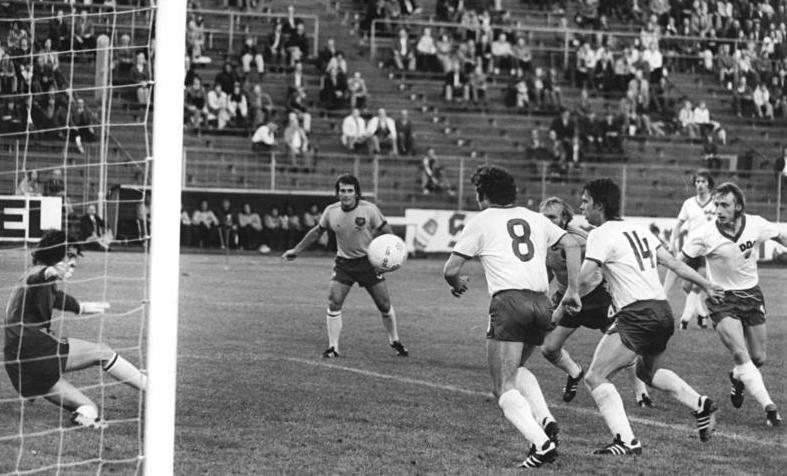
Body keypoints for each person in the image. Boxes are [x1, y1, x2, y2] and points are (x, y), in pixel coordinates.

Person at [442, 166, 582, 468]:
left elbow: (451, 269)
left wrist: (457, 284)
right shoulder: (535, 217)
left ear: (483, 194)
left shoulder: (482, 220)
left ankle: (541, 444)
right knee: (516, 369)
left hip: (509, 303)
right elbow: (572, 243)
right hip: (541, 303)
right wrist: (572, 289)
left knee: (502, 387)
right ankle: (546, 421)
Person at [576, 178, 723, 455]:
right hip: (662, 312)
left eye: (585, 201)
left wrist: (560, 305)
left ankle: (626, 441)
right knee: (646, 371)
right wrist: (705, 285)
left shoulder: (600, 234)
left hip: (637, 314)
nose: (581, 206)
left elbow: (583, 281)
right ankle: (700, 403)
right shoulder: (639, 230)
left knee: (595, 376)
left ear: (600, 204)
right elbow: (675, 263)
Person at [4, 230, 146, 428]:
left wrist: (84, 307)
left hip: (18, 365)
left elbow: (58, 297)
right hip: (34, 349)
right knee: (102, 352)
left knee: (88, 407)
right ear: (55, 255)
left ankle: (83, 417)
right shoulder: (37, 274)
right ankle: (152, 389)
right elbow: (38, 277)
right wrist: (49, 271)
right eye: (69, 257)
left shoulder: (40, 281)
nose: (73, 264)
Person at [681, 182, 787, 427]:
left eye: (724, 205)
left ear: (738, 206)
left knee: (758, 358)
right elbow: (681, 260)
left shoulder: (756, 224)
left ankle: (738, 377)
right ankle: (770, 408)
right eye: (716, 204)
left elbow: (780, 236)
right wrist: (697, 282)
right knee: (740, 353)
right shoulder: (705, 233)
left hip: (751, 296)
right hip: (721, 299)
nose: (718, 209)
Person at [538, 197, 654, 408]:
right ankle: (574, 372)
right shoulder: (541, 239)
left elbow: (605, 261)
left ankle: (641, 393)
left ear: (565, 218)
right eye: (543, 217)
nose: (546, 221)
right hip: (567, 298)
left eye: (552, 217)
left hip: (596, 297)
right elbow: (548, 269)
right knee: (548, 348)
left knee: (626, 342)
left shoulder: (580, 240)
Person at [282, 175, 408, 359]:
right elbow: (317, 232)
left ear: (356, 193)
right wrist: (296, 250)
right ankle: (333, 347)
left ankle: (394, 340)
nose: (346, 194)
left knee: (384, 304)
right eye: (342, 190)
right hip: (344, 263)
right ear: (337, 192)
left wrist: (392, 257)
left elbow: (387, 233)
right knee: (334, 300)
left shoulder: (369, 210)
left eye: (350, 190)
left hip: (369, 263)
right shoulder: (331, 211)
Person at [666, 170, 716, 330]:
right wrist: (672, 243)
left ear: (709, 183)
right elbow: (678, 224)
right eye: (697, 181)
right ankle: (701, 314)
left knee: (696, 285)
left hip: (709, 251)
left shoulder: (717, 202)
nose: (700, 185)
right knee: (685, 285)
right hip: (690, 249)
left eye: (703, 181)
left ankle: (684, 320)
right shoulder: (689, 203)